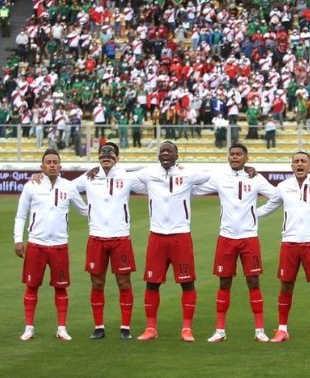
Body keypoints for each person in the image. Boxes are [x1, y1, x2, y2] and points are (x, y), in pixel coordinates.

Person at [193, 144, 278, 343]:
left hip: (249, 238)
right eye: (232, 154)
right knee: (224, 282)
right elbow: (196, 190)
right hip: (226, 238)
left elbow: (276, 196)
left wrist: (257, 213)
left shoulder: (255, 177)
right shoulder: (219, 177)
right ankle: (220, 331)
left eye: (239, 154)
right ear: (228, 157)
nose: (235, 157)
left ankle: (259, 330)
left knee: (253, 281)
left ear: (246, 157)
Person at [256, 151, 310, 344]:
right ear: (291, 166)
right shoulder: (284, 187)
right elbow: (269, 206)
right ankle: (282, 329)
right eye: (296, 162)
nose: (300, 164)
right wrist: (248, 213)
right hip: (289, 243)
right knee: (286, 285)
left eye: (303, 161)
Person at [132, 141, 212, 342]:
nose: (165, 153)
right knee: (152, 283)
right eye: (162, 151)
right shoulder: (149, 173)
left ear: (177, 155)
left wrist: (247, 171)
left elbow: (214, 176)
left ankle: (186, 328)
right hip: (157, 236)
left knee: (187, 283)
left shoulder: (188, 173)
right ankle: (151, 328)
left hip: (181, 236)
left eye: (169, 151)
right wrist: (96, 172)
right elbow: (123, 177)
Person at [14, 148, 88, 341]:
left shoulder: (68, 187)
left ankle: (61, 328)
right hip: (36, 244)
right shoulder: (32, 185)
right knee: (31, 286)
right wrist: (17, 239)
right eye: (49, 162)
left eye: (55, 162)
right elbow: (21, 214)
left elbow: (84, 210)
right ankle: (29, 327)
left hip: (59, 245)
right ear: (42, 166)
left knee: (61, 287)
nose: (52, 165)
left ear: (60, 166)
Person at [73, 143, 145, 340]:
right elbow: (68, 188)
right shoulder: (90, 176)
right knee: (97, 283)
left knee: (124, 282)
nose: (106, 156)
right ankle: (99, 327)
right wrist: (85, 211)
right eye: (103, 153)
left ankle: (125, 327)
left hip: (120, 237)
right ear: (98, 157)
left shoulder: (126, 176)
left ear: (117, 158)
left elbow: (151, 185)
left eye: (110, 153)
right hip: (96, 238)